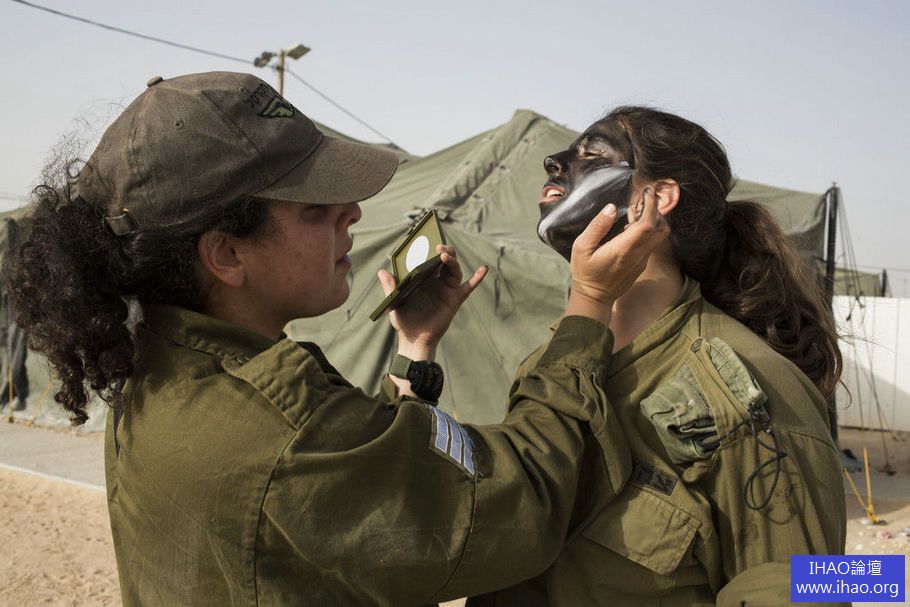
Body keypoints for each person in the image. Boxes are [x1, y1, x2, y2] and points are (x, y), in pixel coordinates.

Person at [2, 73, 670, 605]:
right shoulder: (277, 427)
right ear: (226, 253)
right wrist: (588, 306)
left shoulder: (161, 360)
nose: (352, 213)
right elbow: (520, 503)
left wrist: (415, 352)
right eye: (315, 209)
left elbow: (349, 489)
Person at [470, 107, 846, 606]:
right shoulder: (551, 364)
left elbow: (822, 584)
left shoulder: (755, 388)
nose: (552, 162)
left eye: (591, 153)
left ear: (658, 198)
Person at [0, 217, 29, 412]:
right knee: (10, 355)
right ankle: (14, 396)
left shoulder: (21, 257)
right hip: (7, 313)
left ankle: (15, 396)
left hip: (19, 313)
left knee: (15, 355)